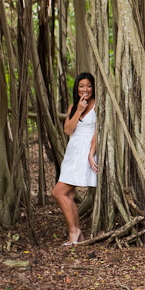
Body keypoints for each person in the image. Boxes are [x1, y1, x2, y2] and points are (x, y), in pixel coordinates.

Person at [52, 72, 98, 245]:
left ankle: (73, 231)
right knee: (68, 194)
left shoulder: (97, 106)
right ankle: (78, 234)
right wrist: (78, 110)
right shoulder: (74, 106)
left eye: (88, 86)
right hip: (73, 152)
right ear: (76, 88)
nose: (85, 89)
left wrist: (91, 153)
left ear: (93, 88)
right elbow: (67, 130)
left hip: (86, 152)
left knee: (58, 192)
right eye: (81, 86)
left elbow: (98, 132)